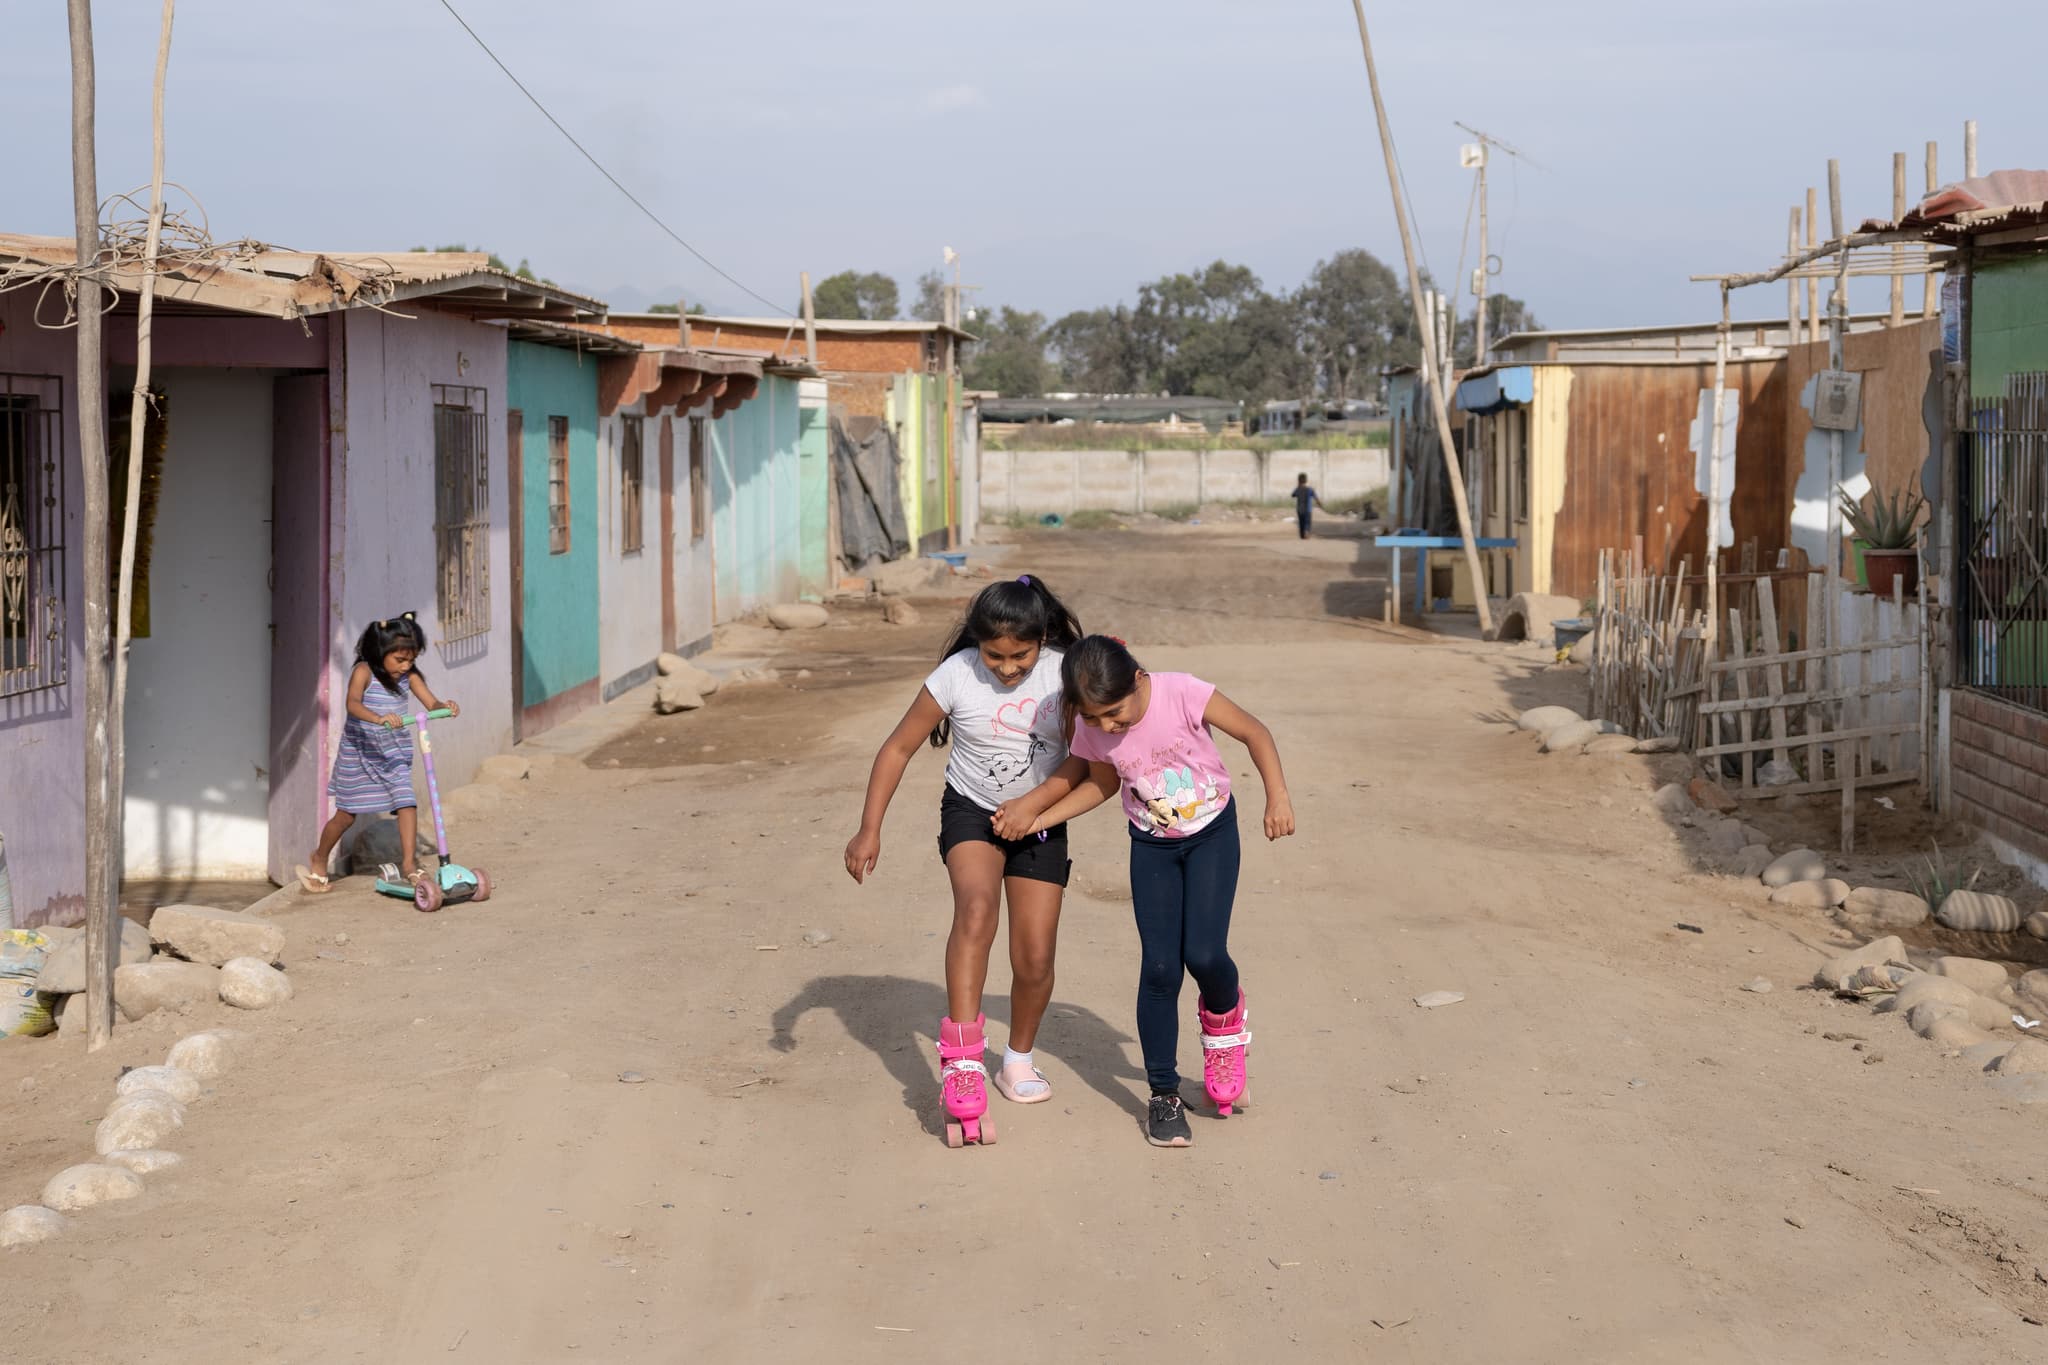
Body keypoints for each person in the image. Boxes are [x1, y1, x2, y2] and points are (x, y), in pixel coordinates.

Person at [995, 635, 1294, 1149]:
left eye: (1114, 713)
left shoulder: (1182, 692)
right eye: (1093, 719)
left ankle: (1224, 1023)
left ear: (1137, 679)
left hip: (1212, 836)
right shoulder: (1092, 728)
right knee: (1159, 969)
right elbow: (1101, 783)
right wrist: (1040, 818)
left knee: (1203, 954)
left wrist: (1277, 797)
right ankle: (1164, 1095)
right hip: (1152, 846)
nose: (1107, 727)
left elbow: (1255, 732)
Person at [844, 575, 1083, 1146]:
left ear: (1042, 638)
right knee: (976, 910)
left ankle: (1017, 1060)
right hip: (972, 811)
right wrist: (868, 828)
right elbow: (898, 747)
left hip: (1041, 817)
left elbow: (1086, 763)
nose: (1005, 667)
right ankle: (964, 1060)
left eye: (1018, 655)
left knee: (1034, 956)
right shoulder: (954, 675)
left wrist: (1033, 808)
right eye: (993, 655)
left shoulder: (1062, 673)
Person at [296, 613, 458, 894]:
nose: (406, 666)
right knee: (346, 815)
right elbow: (353, 704)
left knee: (406, 800)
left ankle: (408, 863)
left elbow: (430, 701)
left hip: (392, 749)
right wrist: (378, 718)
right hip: (360, 750)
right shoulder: (364, 671)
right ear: (379, 651)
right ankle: (319, 857)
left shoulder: (410, 675)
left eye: (411, 660)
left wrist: (445, 706)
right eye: (400, 660)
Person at [1291, 472, 1326, 539]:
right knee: (1307, 522)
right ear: (1306, 480)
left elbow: (1293, 495)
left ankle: (1302, 535)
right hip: (1308, 509)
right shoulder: (1310, 489)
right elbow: (1316, 498)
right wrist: (1320, 504)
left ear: (1298, 480)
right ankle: (1306, 532)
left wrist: (1298, 486)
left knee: (1301, 522)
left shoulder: (1298, 489)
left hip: (1300, 509)